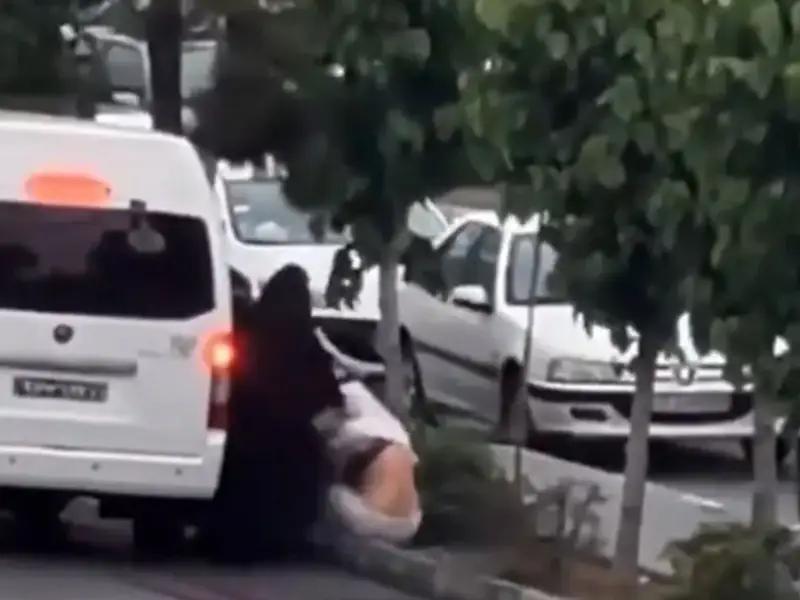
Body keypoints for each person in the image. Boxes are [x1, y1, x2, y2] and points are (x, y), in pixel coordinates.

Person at [208, 264, 344, 562]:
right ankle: (281, 538)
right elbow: (328, 397)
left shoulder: (248, 333)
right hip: (290, 446)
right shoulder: (305, 346)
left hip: (242, 439)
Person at [313, 328, 422, 545]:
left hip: (371, 520)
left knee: (327, 495)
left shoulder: (345, 397)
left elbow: (319, 428)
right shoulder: (381, 415)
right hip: (411, 522)